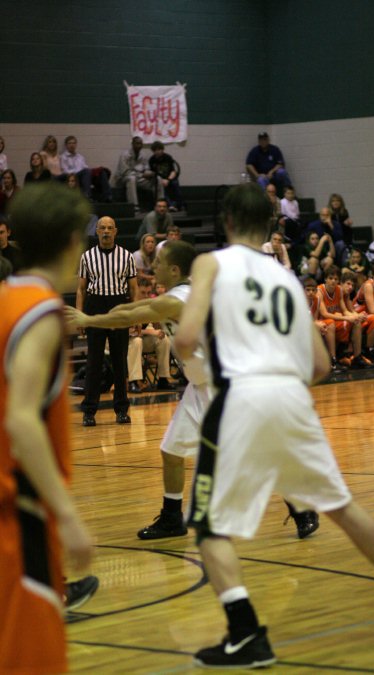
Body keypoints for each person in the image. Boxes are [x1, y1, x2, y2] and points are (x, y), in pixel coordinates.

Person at [173, 183, 374, 669]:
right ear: (271, 225)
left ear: (228, 222)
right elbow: (320, 365)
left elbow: (186, 337)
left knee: (209, 526)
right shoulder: (285, 279)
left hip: (240, 395)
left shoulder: (212, 264)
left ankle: (245, 634)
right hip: (292, 396)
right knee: (341, 505)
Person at [66, 241, 316, 541]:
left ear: (174, 270)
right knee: (171, 451)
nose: (152, 266)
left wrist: (89, 319)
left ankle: (302, 507)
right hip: (200, 387)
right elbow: (136, 308)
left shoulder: (177, 301)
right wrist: (117, 309)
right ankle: (172, 518)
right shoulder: (179, 293)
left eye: (158, 262)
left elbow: (132, 315)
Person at [0, 182, 94, 674]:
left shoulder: (4, 298)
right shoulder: (40, 313)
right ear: (71, 241)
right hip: (22, 513)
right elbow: (20, 419)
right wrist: (69, 514)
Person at [76, 216, 138, 426]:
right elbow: (81, 289)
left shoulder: (127, 256)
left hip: (119, 307)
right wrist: (80, 315)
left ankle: (122, 409)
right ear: (97, 232)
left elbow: (134, 289)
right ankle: (89, 411)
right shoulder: (87, 257)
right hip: (95, 308)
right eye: (102, 228)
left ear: (116, 231)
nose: (106, 231)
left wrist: (136, 314)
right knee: (94, 361)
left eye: (110, 228)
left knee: (120, 362)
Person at [317, 266, 371, 369]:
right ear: (325, 279)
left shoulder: (339, 290)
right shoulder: (320, 291)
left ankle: (357, 357)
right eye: (330, 278)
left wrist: (356, 316)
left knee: (356, 322)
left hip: (334, 320)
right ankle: (333, 359)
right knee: (332, 323)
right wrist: (347, 318)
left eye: (336, 279)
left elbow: (345, 310)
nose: (333, 281)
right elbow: (324, 314)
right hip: (322, 321)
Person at [114, 136, 156, 214]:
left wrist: (149, 173)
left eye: (140, 144)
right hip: (123, 178)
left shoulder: (143, 155)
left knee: (157, 179)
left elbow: (146, 168)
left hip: (138, 178)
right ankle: (134, 206)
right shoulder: (125, 155)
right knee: (131, 178)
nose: (139, 145)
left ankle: (159, 204)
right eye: (137, 143)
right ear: (132, 144)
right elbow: (125, 172)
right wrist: (141, 174)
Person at [149, 141, 183, 211]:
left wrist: (168, 179)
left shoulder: (168, 157)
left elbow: (173, 171)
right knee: (161, 187)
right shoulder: (151, 160)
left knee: (175, 184)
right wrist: (161, 180)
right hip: (159, 180)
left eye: (159, 149)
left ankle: (179, 205)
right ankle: (170, 205)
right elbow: (153, 173)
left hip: (169, 177)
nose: (157, 152)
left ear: (162, 149)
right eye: (155, 150)